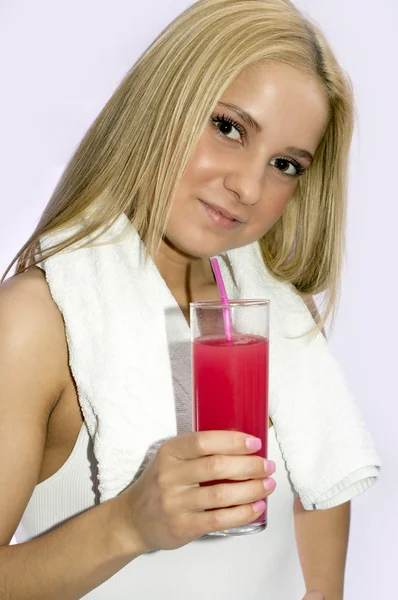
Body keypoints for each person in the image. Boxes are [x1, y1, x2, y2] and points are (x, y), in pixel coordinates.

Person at [0, 0, 381, 599]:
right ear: (164, 103)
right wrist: (128, 523)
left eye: (284, 164)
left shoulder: (277, 315)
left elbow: (318, 479)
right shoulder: (39, 323)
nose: (249, 187)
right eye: (229, 128)